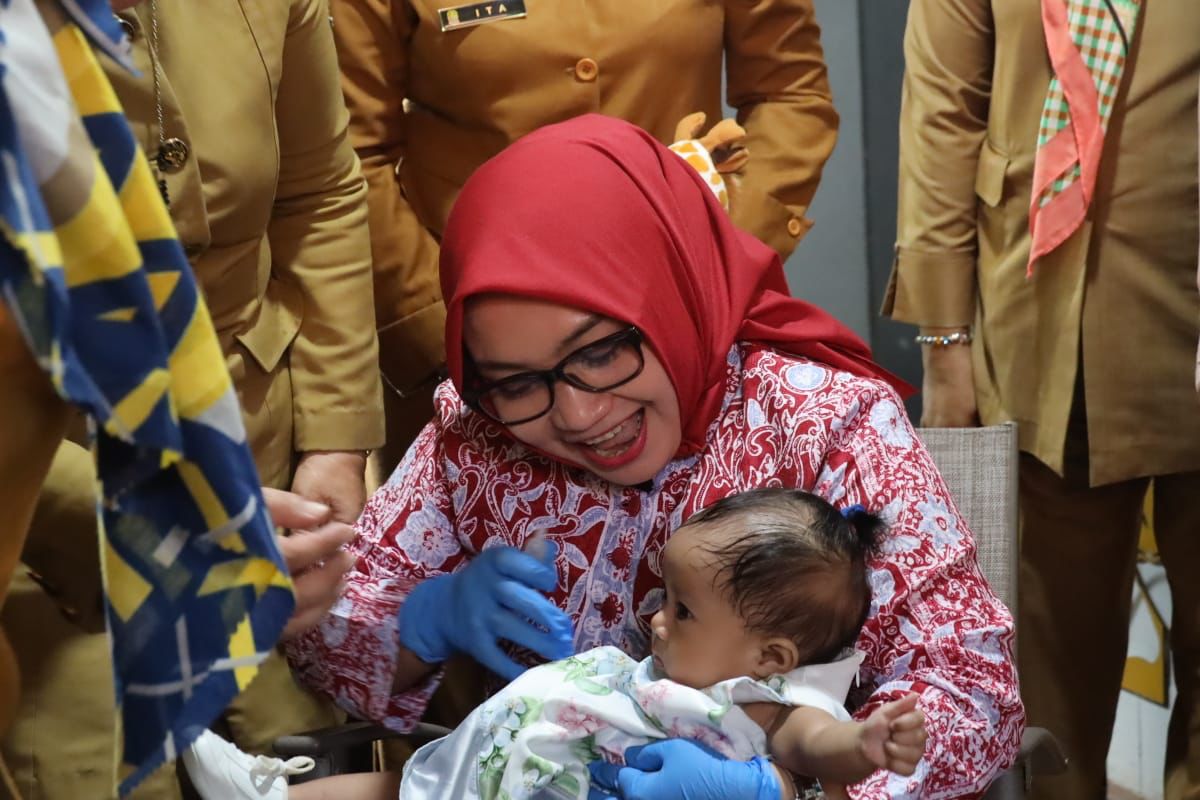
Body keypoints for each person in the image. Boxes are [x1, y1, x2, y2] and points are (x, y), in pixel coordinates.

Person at [279, 114, 1024, 799]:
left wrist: (783, 787)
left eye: (600, 352)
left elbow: (974, 696)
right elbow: (327, 653)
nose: (577, 415)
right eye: (515, 382)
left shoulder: (825, 424)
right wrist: (417, 625)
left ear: (671, 293)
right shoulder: (472, 433)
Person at [2, 0, 386, 797]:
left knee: (323, 754)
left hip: (260, 461)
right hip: (43, 515)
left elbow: (318, 193)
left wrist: (337, 439)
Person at [883, 1, 1200, 798]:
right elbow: (942, 114)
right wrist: (945, 343)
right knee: (1053, 682)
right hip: (1050, 327)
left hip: (1185, 294)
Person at [329, 0, 841, 471]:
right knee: (483, 557)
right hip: (481, 364)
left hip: (691, 338)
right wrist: (449, 335)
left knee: (716, 556)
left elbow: (789, 93)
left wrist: (718, 266)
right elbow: (350, 154)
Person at [183, 489, 930, 800]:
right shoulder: (669, 666)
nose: (655, 620)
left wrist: (863, 743)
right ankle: (270, 790)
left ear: (770, 658)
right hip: (502, 767)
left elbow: (814, 745)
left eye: (680, 611)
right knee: (414, 786)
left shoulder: (760, 705)